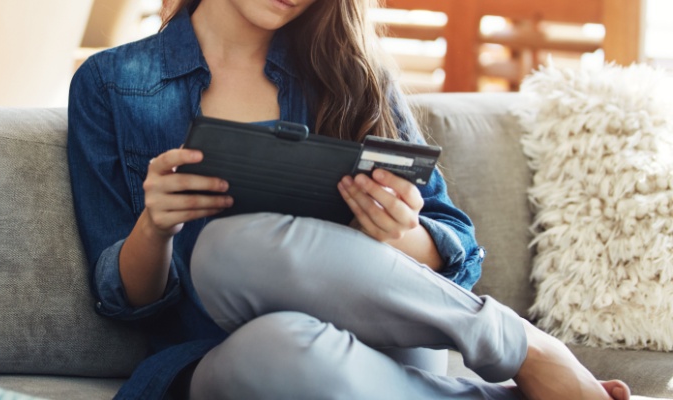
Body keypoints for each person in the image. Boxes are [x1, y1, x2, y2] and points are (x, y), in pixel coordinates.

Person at [67, 0, 632, 398]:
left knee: (231, 247)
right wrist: (155, 229)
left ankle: (522, 347)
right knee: (257, 312)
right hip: (235, 362)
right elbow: (122, 297)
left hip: (387, 346)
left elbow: (457, 251)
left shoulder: (354, 76)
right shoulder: (111, 84)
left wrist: (398, 231)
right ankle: (525, 359)